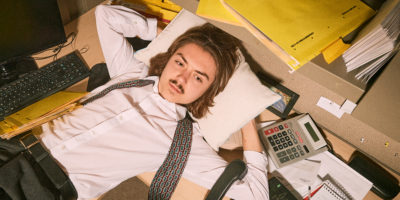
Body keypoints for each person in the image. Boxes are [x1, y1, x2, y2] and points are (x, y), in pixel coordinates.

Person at [0, 4, 269, 200]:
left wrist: (247, 117)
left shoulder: (182, 143)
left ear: (209, 91)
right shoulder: (131, 74)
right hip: (11, 147)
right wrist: (166, 34)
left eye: (198, 77)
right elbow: (106, 15)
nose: (181, 77)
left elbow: (256, 194)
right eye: (180, 62)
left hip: (39, 190)